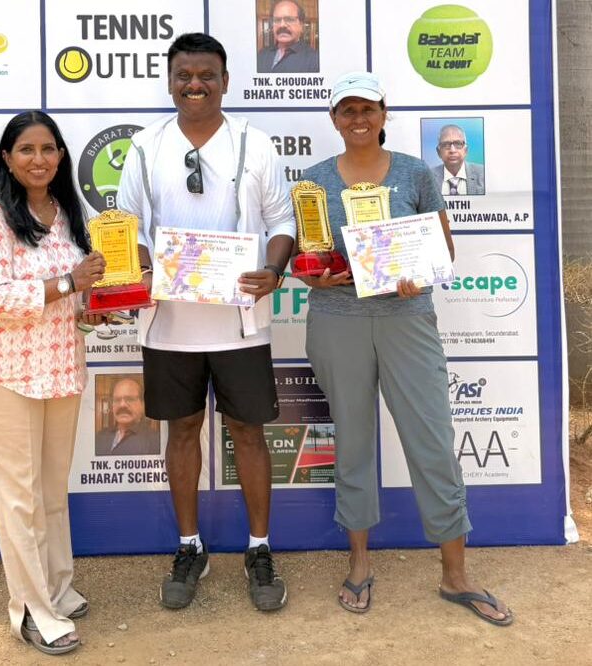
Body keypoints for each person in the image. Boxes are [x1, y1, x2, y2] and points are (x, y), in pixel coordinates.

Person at [298, 72, 513, 626]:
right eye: (347, 110)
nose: (358, 119)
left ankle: (455, 574)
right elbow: (309, 255)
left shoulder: (416, 172)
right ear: (334, 119)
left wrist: (420, 271)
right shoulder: (314, 180)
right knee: (353, 443)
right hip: (338, 320)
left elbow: (443, 249)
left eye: (367, 108)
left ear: (384, 113)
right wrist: (313, 276)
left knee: (433, 443)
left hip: (407, 319)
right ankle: (359, 564)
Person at [116, 32, 295, 612]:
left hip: (241, 320)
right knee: (183, 429)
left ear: (225, 81)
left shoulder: (254, 143)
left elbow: (281, 220)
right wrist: (146, 266)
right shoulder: (145, 147)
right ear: (171, 82)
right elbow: (128, 227)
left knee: (248, 432)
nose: (195, 85)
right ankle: (190, 546)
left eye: (207, 76)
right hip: (169, 322)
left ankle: (259, 548)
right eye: (184, 76)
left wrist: (274, 269)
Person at [0, 111, 106, 655]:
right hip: (6, 374)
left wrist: (90, 308)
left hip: (61, 367)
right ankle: (31, 611)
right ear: (7, 158)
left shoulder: (66, 213)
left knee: (50, 491)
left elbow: (71, 297)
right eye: (26, 150)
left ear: (61, 156)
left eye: (48, 149)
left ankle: (58, 588)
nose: (39, 159)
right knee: (18, 499)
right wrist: (68, 283)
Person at [95, 377, 160, 456]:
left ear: (142, 405)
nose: (122, 405)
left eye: (130, 399)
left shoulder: (156, 441)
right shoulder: (99, 437)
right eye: (117, 400)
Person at [257, 0, 319, 73]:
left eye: (289, 19)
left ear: (301, 26)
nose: (282, 25)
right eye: (277, 20)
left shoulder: (314, 60)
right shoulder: (262, 54)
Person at [431, 124, 485, 195]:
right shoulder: (428, 176)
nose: (452, 150)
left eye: (458, 144)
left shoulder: (483, 173)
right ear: (438, 152)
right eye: (446, 144)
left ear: (466, 150)